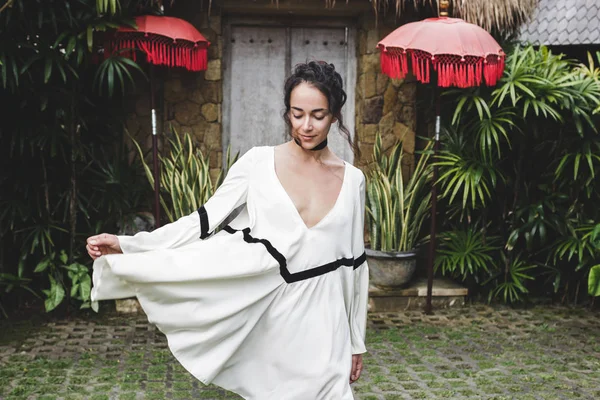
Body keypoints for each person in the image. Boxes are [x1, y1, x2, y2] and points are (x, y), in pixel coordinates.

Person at [87, 61, 369, 400]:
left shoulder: (353, 180)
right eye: (297, 114)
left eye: (318, 115)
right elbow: (200, 222)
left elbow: (355, 267)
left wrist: (356, 341)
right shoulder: (258, 163)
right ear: (287, 113)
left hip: (327, 325)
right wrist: (129, 245)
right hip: (273, 322)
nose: (306, 125)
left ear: (335, 116)